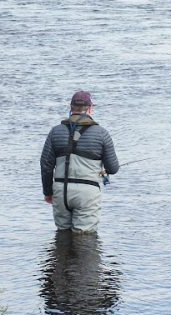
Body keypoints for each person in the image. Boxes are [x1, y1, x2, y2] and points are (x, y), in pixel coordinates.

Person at [41, 91, 119, 233]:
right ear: (90, 109)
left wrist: (48, 192)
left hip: (61, 191)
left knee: (62, 235)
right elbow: (113, 168)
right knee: (85, 238)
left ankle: (61, 249)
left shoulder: (55, 132)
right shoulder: (101, 133)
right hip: (87, 193)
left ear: (71, 107)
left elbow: (46, 165)